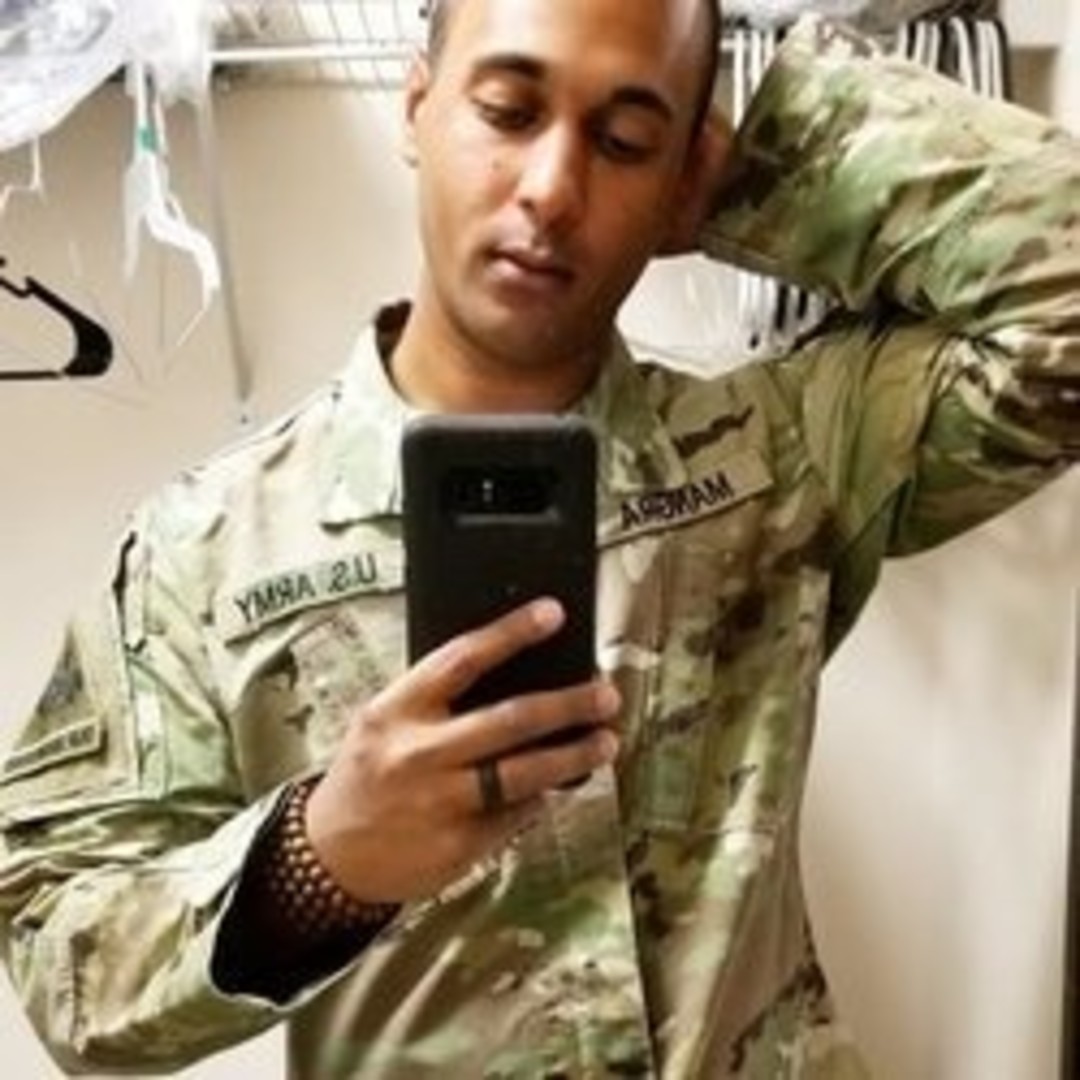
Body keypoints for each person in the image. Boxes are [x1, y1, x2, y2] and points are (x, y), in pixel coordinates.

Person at [0, 0, 1076, 1075]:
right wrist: (321, 860)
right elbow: (61, 965)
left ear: (684, 175)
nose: (554, 189)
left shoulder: (780, 456)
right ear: (417, 106)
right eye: (509, 111)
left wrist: (772, 166)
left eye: (626, 141)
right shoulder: (207, 549)